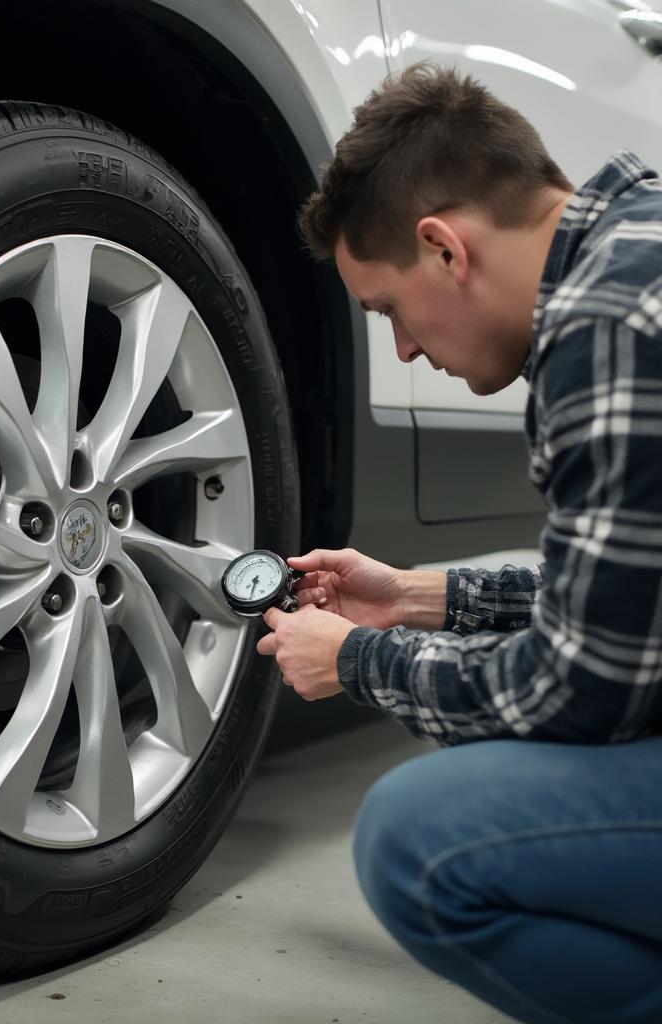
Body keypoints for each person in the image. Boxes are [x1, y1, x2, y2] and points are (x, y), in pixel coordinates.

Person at [256, 63, 662, 1024]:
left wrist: (361, 658)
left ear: (443, 248)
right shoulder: (638, 246)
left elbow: (581, 696)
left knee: (415, 838)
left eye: (387, 310)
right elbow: (633, 599)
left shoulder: (606, 326)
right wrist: (419, 597)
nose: (400, 349)